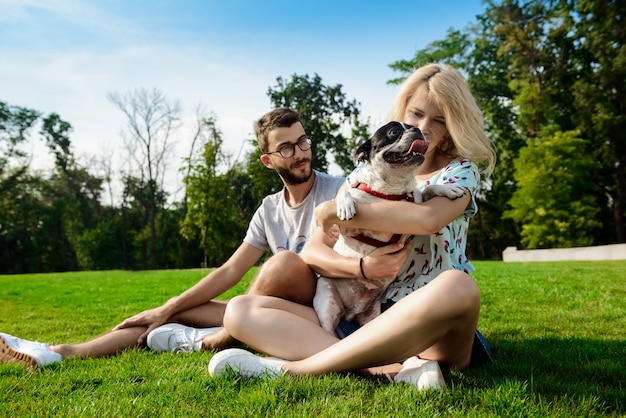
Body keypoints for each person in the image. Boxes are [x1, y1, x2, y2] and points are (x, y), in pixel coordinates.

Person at [0, 108, 411, 369]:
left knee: (287, 261)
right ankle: (56, 351)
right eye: (287, 148)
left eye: (303, 141)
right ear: (268, 160)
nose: (301, 153)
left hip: (322, 314)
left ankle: (220, 337)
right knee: (168, 315)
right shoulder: (269, 209)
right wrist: (170, 305)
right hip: (263, 308)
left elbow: (386, 223)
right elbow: (232, 269)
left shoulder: (343, 191)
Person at [207, 63, 497, 390]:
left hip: (427, 322)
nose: (424, 127)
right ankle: (389, 370)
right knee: (241, 310)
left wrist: (336, 210)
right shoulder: (369, 170)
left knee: (458, 286)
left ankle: (292, 370)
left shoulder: (460, 173)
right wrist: (361, 267)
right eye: (416, 114)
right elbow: (315, 250)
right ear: (402, 111)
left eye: (439, 120)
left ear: (455, 123)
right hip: (363, 316)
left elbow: (427, 219)